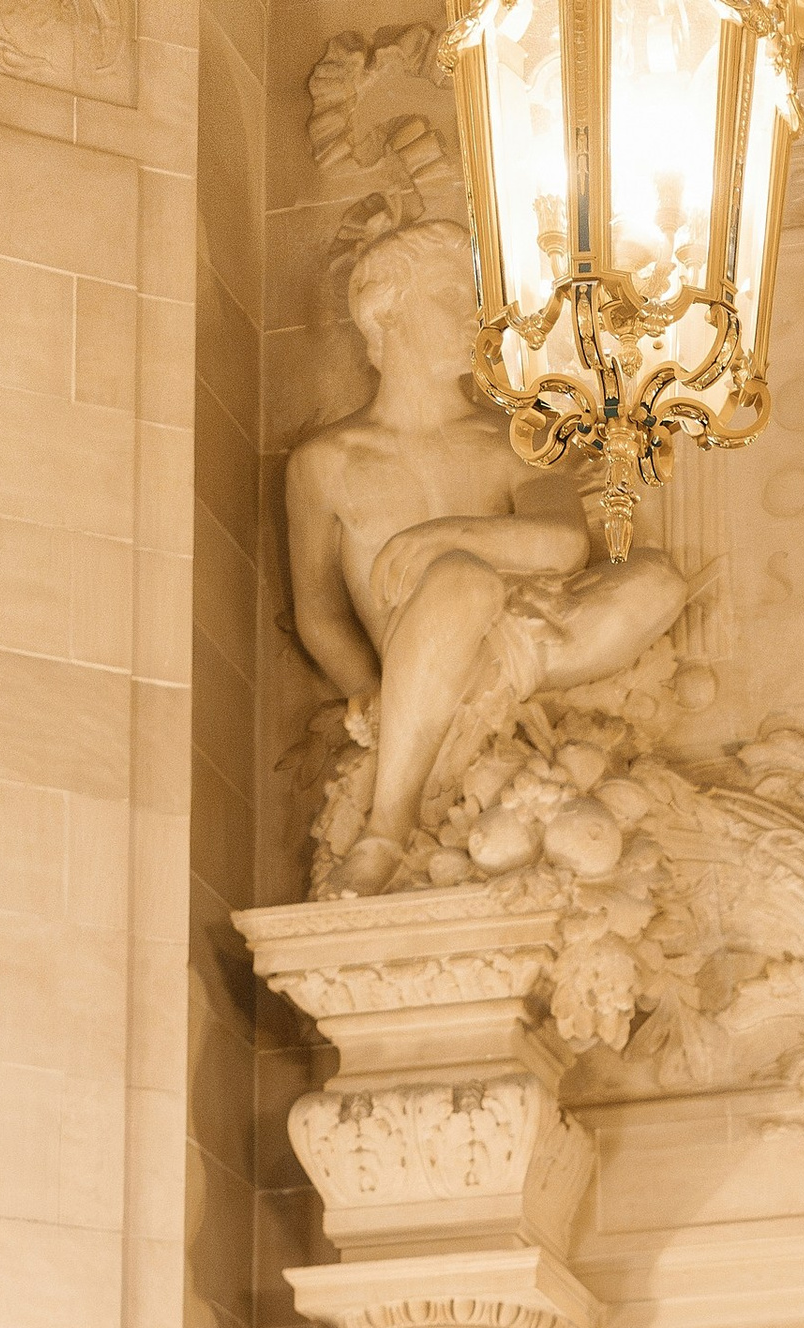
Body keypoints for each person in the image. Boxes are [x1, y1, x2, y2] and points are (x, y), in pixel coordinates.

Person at [286, 221, 689, 896]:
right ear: (385, 312)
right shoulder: (327, 464)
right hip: (419, 643)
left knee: (658, 580)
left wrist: (446, 534)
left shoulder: (514, 441)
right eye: (453, 297)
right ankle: (388, 827)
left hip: (523, 642)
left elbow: (563, 546)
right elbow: (319, 611)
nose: (479, 317)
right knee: (459, 585)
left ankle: (463, 717)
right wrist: (365, 687)